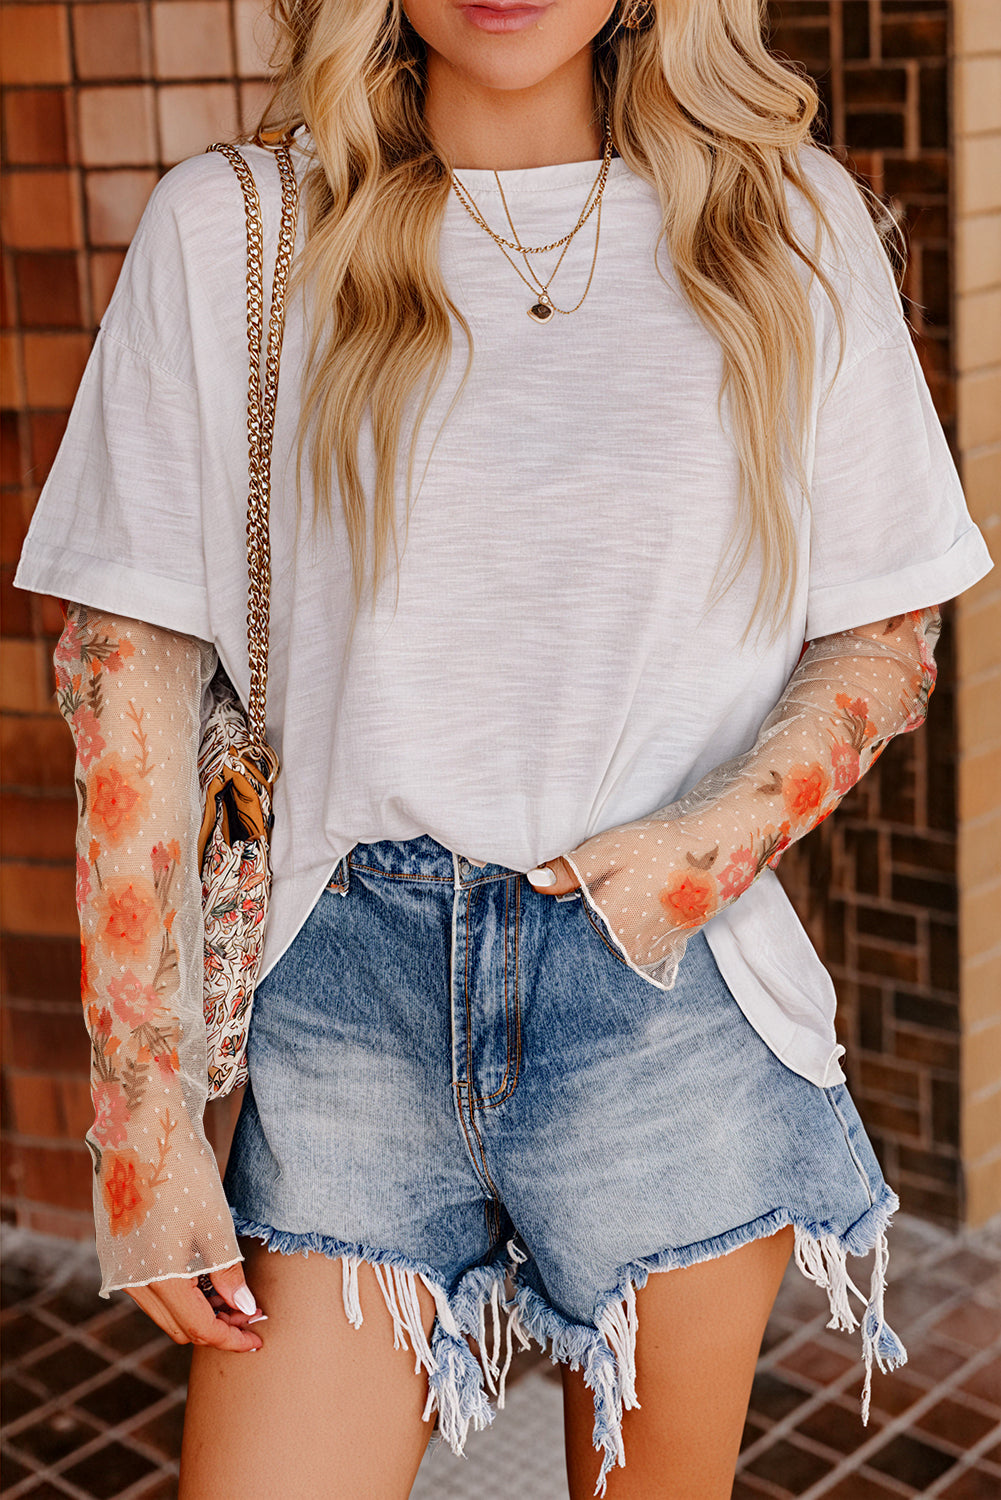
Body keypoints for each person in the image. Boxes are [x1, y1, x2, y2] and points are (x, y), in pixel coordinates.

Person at [14, 1, 993, 1496]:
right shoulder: (237, 232)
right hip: (342, 1014)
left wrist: (689, 858)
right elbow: (125, 671)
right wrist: (142, 1127)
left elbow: (884, 632)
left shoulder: (783, 226)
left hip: (661, 1007)